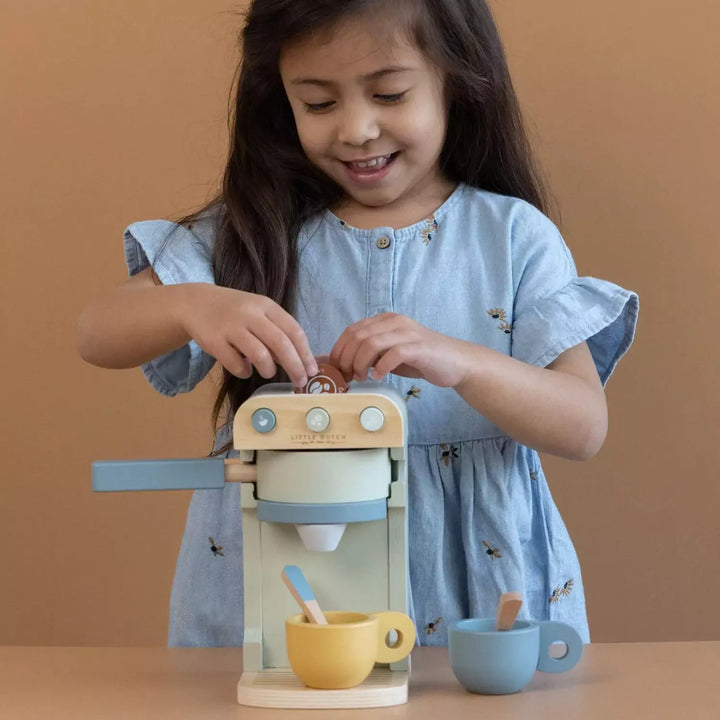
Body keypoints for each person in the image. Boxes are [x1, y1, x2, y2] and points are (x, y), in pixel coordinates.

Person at [77, 0, 638, 647]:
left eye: (390, 93)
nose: (357, 129)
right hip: (284, 572)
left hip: (470, 593)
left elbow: (584, 425)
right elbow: (97, 331)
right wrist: (191, 303)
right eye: (318, 103)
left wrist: (461, 359)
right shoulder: (253, 231)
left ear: (455, 78)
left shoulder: (512, 236)